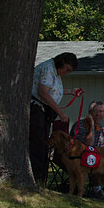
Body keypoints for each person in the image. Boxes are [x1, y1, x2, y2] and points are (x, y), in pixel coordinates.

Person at [30, 52, 79, 186]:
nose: (67, 72)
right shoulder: (48, 68)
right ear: (62, 62)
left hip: (44, 112)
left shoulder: (54, 72)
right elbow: (43, 92)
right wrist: (60, 112)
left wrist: (70, 91)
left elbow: (53, 90)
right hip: (37, 109)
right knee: (38, 144)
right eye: (67, 69)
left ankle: (41, 180)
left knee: (44, 144)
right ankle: (36, 179)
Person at [71, 100, 104, 198]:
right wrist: (91, 127)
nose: (98, 114)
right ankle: (97, 189)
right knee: (95, 159)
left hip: (94, 155)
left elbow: (103, 147)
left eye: (101, 111)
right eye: (96, 111)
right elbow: (87, 144)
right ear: (90, 113)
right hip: (79, 157)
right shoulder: (81, 125)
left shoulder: (99, 127)